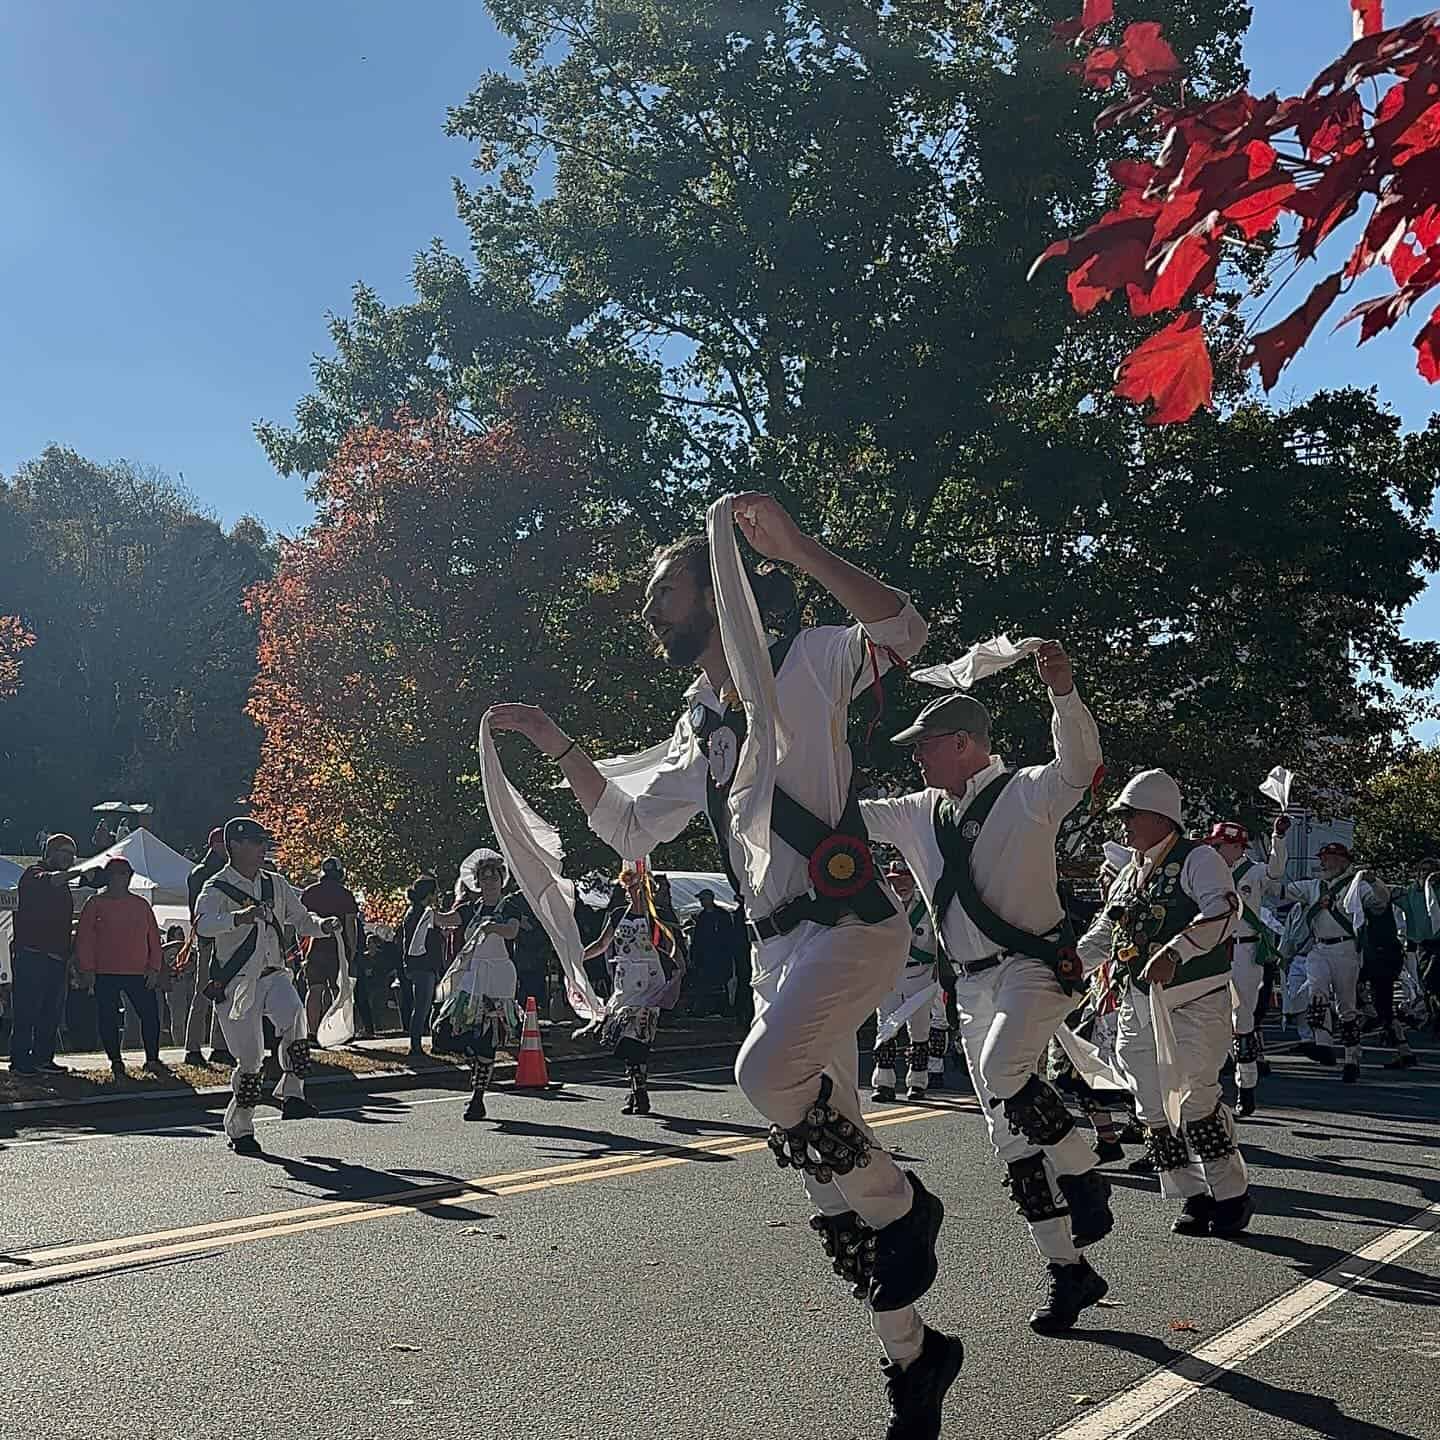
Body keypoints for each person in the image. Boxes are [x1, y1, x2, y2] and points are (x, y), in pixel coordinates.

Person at [491, 494, 963, 1440]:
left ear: (720, 588)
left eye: (663, 591)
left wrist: (798, 548)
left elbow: (906, 629)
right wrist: (557, 745)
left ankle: (911, 1207)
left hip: (848, 924)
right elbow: (628, 827)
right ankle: (914, 1355)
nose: (649, 611)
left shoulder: (812, 658)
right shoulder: (698, 720)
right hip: (774, 951)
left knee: (762, 1076)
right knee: (823, 1177)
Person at [861, 644, 1115, 1335]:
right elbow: (842, 816)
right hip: (971, 987)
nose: (917, 757)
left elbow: (1080, 767)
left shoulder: (1029, 791)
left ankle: (1086, 1172)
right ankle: (1069, 1271)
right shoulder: (918, 810)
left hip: (1032, 968)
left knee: (1008, 1073)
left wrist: (1063, 692)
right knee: (1009, 1139)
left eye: (926, 745)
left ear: (965, 743)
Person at [1078, 770, 1251, 1239]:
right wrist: (1070, 963)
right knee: (1151, 1103)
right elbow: (1104, 932)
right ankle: (1191, 1194)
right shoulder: (1129, 873)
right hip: (1138, 1001)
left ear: (1159, 815)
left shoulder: (1199, 859)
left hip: (1193, 1001)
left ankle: (1231, 1194)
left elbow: (1222, 911)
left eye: (1130, 815)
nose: (1124, 825)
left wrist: (1176, 951)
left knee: (1195, 1098)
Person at [192, 817, 343, 1155]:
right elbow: (202, 925)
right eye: (257, 843)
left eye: (263, 843)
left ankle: (292, 1094)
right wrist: (239, 918)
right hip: (237, 984)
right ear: (236, 846)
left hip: (274, 974)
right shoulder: (215, 888)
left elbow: (301, 918)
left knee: (296, 1021)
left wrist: (323, 925)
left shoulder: (275, 884)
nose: (263, 849)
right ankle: (241, 1128)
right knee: (249, 1063)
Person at [1278, 842, 1393, 1082]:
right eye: (1323, 858)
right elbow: (1281, 891)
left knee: (1346, 1007)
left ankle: (1352, 1058)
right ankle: (1323, 1045)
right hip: (1319, 947)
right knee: (1316, 992)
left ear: (1342, 861)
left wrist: (1373, 881)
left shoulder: (1356, 886)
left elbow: (1381, 903)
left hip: (1345, 948)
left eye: (1327, 858)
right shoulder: (1313, 886)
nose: (1323, 863)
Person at [1203, 817, 1290, 1116]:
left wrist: (1278, 838)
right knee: (1214, 1018)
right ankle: (1214, 1091)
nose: (1214, 849)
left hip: (1244, 948)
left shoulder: (1253, 871)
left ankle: (1247, 1088)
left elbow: (1276, 872)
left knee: (1242, 1020)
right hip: (1214, 950)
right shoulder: (1209, 872)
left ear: (1236, 846)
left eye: (1219, 845)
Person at [432, 852, 523, 1120]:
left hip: (498, 976)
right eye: (485, 877)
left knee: (487, 1038)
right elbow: (445, 920)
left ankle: (477, 1097)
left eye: (494, 875)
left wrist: (494, 927)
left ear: (501, 878)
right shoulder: (470, 909)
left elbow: (512, 931)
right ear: (478, 881)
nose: (490, 880)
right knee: (449, 1031)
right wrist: (430, 909)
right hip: (472, 976)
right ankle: (476, 1072)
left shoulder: (509, 907)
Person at [582, 866, 680, 1114]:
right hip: (624, 983)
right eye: (631, 888)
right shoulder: (616, 915)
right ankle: (638, 1091)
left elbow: (672, 948)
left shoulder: (656, 918)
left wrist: (676, 974)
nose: (635, 891)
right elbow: (602, 944)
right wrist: (576, 958)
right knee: (624, 1039)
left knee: (637, 1040)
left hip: (649, 983)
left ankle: (638, 1094)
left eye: (640, 887)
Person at [74, 857, 166, 1079]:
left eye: (126, 874)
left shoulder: (141, 904)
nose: (123, 878)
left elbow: (154, 937)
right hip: (105, 971)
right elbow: (84, 939)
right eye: (118, 874)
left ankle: (152, 1059)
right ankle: (115, 1061)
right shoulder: (95, 904)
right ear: (108, 877)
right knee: (108, 1017)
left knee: (150, 1016)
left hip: (139, 971)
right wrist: (87, 969)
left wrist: (154, 967)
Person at [867, 859, 941, 1104]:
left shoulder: (928, 904)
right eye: (894, 880)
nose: (900, 885)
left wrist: (940, 971)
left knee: (919, 1031)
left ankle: (917, 1083)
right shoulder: (883, 904)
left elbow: (941, 939)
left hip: (921, 975)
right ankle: (883, 1083)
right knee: (885, 1028)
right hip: (889, 975)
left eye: (904, 879)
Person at [10, 833, 82, 1076]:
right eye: (64, 852)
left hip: (57, 956)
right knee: (26, 1010)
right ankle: (20, 1060)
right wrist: (81, 871)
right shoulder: (33, 873)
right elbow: (51, 880)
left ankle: (43, 1058)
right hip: (32, 954)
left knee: (50, 1013)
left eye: (72, 854)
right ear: (49, 853)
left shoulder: (64, 886)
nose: (68, 858)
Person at [299, 858, 361, 1040]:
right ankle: (338, 1030)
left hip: (313, 947)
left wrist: (302, 949)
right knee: (339, 990)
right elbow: (350, 924)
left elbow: (300, 922)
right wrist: (353, 948)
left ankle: (311, 1031)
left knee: (315, 989)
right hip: (338, 948)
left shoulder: (309, 893)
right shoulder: (345, 894)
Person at [185, 828, 232, 1067]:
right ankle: (193, 1046)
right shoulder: (203, 874)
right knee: (203, 992)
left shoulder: (228, 872)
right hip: (209, 940)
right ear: (214, 845)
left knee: (224, 994)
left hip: (227, 939)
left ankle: (219, 1045)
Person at [402, 875, 447, 1056]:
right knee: (422, 1006)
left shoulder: (416, 912)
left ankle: (421, 1042)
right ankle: (415, 1045)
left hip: (421, 965)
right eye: (435, 892)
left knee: (424, 1005)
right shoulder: (422, 914)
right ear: (428, 894)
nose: (437, 895)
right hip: (423, 965)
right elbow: (423, 941)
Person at [686, 888, 737, 1017]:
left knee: (721, 983)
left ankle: (723, 1009)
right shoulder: (702, 916)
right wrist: (694, 955)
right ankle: (705, 1008)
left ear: (710, 899)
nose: (702, 902)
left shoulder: (722, 915)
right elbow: (698, 938)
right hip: (704, 957)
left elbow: (728, 937)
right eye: (701, 900)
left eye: (703, 899)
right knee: (704, 983)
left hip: (719, 956)